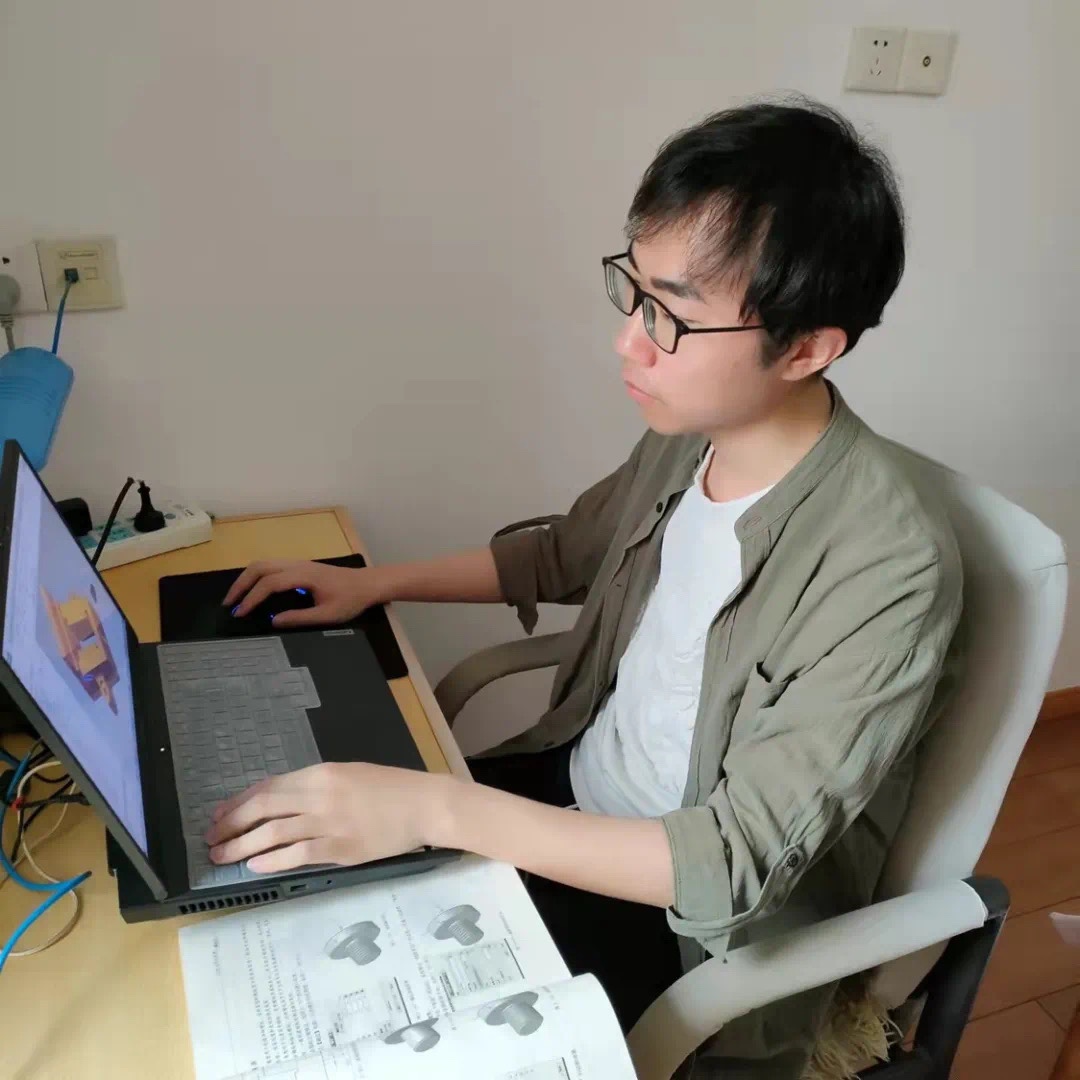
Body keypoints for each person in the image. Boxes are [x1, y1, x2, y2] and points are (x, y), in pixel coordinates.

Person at [206, 96, 963, 1078]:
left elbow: (731, 863)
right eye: (634, 293)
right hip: (568, 794)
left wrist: (435, 810)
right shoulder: (690, 436)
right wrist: (370, 585)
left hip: (683, 928)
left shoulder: (889, 566)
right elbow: (565, 553)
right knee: (268, 890)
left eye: (671, 316)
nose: (629, 342)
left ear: (809, 347)